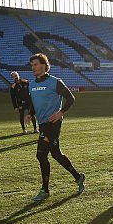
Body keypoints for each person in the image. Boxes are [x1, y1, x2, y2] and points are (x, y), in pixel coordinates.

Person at [27, 53, 85, 202]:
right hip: (42, 124)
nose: (33, 67)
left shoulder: (55, 82)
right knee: (56, 154)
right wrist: (30, 114)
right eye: (32, 65)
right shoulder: (32, 84)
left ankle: (45, 190)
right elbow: (34, 103)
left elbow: (71, 98)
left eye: (36, 64)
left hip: (52, 124)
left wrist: (61, 112)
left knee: (41, 154)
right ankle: (78, 177)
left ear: (44, 66)